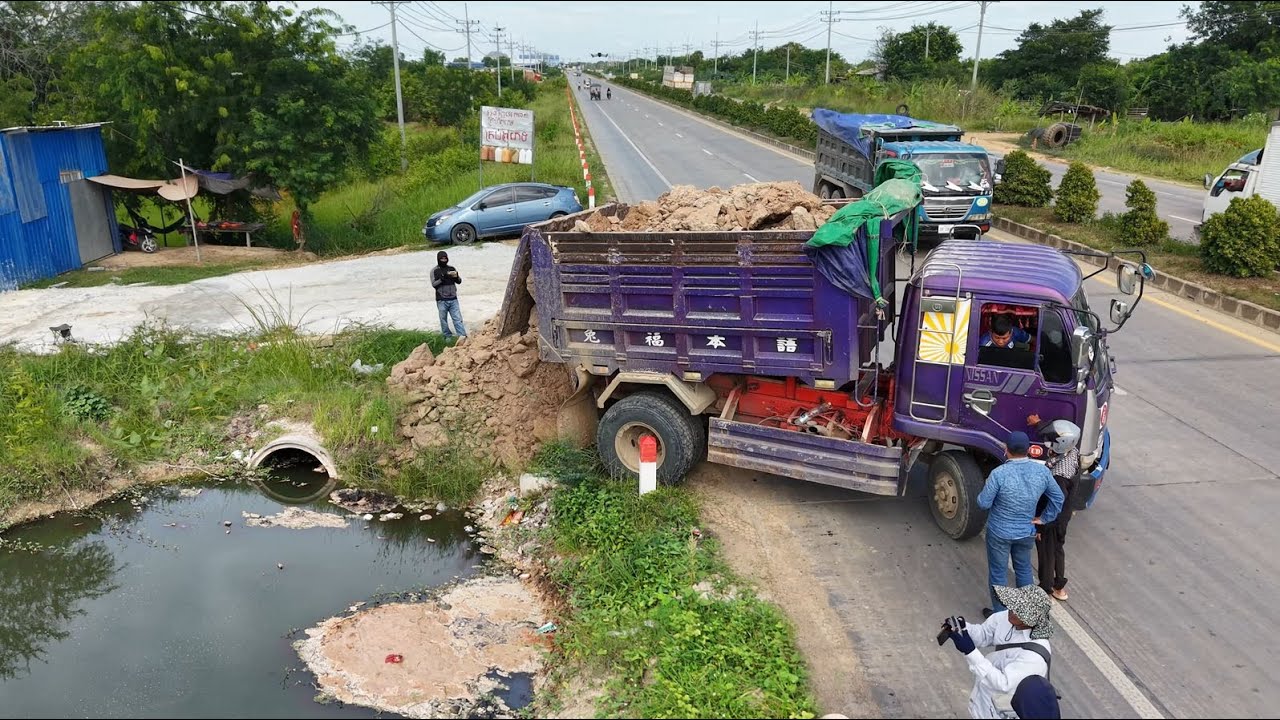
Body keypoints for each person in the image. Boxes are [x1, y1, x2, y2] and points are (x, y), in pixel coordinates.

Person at [978, 431, 1064, 615]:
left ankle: (1000, 617)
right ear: (1029, 450)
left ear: (1005, 450)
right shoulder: (1042, 471)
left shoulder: (998, 474)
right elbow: (1058, 497)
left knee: (998, 573)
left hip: (999, 533)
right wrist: (1044, 518)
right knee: (1024, 569)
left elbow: (983, 503)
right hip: (1026, 531)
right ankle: (1025, 614)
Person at [942, 585, 1056, 719]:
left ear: (1031, 619)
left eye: (1019, 610)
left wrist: (971, 652)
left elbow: (1002, 683)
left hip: (1001, 710)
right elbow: (984, 634)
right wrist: (965, 628)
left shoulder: (1034, 657)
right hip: (983, 699)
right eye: (1013, 604)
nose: (1012, 610)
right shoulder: (1008, 617)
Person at [1028, 415, 1082, 601]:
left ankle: (1045, 589)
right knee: (1058, 549)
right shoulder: (1073, 452)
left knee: (1046, 551)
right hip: (1064, 516)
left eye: (1051, 443)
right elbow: (1060, 438)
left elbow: (1056, 500)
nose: (1047, 446)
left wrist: (1041, 523)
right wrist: (1039, 425)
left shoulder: (1059, 475)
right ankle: (1060, 587)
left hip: (1053, 518)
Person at [431, 250, 467, 340]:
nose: (444, 260)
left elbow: (459, 281)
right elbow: (434, 284)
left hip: (453, 298)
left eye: (445, 258)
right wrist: (441, 279)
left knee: (457, 319)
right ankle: (447, 337)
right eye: (442, 258)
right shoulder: (434, 271)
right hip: (441, 300)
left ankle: (462, 336)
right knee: (443, 320)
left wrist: (456, 277)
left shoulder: (451, 268)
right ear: (438, 259)